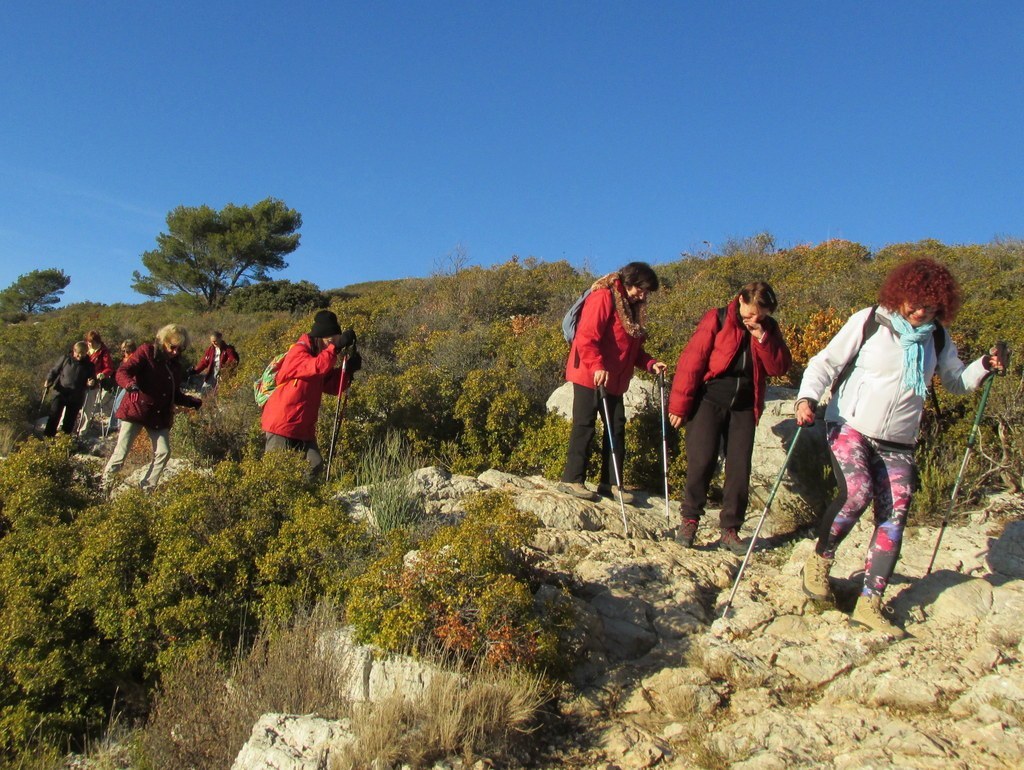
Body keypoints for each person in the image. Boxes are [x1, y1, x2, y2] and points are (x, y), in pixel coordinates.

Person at [795, 258, 1007, 635]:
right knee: (856, 491)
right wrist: (806, 398)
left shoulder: (936, 338)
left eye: (932, 306)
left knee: (895, 516)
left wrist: (985, 365)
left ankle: (870, 603)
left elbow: (956, 381)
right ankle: (819, 561)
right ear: (901, 293)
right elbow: (825, 362)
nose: (921, 311)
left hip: (900, 441)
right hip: (850, 424)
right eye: (916, 301)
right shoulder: (870, 321)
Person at [668, 282, 792, 553]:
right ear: (740, 300)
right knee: (701, 460)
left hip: (745, 407)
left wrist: (762, 338)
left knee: (739, 469)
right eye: (750, 313)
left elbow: (779, 366)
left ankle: (730, 529)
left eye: (761, 315)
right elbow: (693, 360)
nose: (753, 319)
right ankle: (689, 520)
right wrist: (679, 405)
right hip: (710, 399)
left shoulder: (767, 329)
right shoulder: (718, 317)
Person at [557, 262, 668, 503]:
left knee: (616, 427)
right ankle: (572, 479)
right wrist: (597, 365)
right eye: (642, 288)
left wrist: (650, 364)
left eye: (647, 291)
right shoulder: (603, 298)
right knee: (584, 425)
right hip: (589, 373)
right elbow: (587, 337)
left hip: (615, 379)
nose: (644, 294)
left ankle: (611, 483)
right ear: (629, 282)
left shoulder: (633, 308)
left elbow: (632, 350)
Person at [103, 325, 202, 491]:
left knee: (163, 452)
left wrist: (192, 402)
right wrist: (130, 384)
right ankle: (104, 486)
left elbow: (173, 394)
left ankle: (146, 488)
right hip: (136, 410)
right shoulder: (146, 352)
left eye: (181, 349)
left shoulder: (175, 365)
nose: (176, 352)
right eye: (173, 347)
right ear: (164, 341)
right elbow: (123, 371)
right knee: (121, 452)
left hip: (158, 415)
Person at [261, 310, 360, 476]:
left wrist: (348, 370)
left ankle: (307, 499)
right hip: (282, 423)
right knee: (276, 473)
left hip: (303, 427)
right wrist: (335, 348)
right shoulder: (298, 352)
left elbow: (332, 386)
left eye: (335, 340)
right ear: (320, 336)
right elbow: (315, 367)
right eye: (330, 340)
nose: (332, 344)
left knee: (314, 465)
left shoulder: (319, 355)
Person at [43, 341, 95, 437]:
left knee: (69, 422)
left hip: (76, 396)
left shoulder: (89, 366)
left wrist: (91, 383)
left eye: (82, 354)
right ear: (74, 351)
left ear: (86, 353)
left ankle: (64, 443)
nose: (79, 356)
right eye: (78, 353)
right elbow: (54, 371)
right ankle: (47, 439)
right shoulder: (65, 359)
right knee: (54, 417)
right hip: (60, 392)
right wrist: (48, 380)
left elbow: (92, 381)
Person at [77, 330, 116, 435]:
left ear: (96, 341)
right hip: (80, 382)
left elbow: (109, 368)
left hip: (94, 383)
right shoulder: (85, 349)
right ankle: (64, 428)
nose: (89, 343)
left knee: (87, 408)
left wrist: (103, 374)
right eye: (88, 341)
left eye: (91, 342)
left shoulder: (103, 352)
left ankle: (82, 431)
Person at [106, 339, 138, 435]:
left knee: (119, 404)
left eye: (126, 351)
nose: (124, 353)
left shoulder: (135, 359)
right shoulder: (125, 359)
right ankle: (114, 425)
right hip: (125, 384)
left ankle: (118, 426)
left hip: (131, 385)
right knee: (117, 403)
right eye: (123, 350)